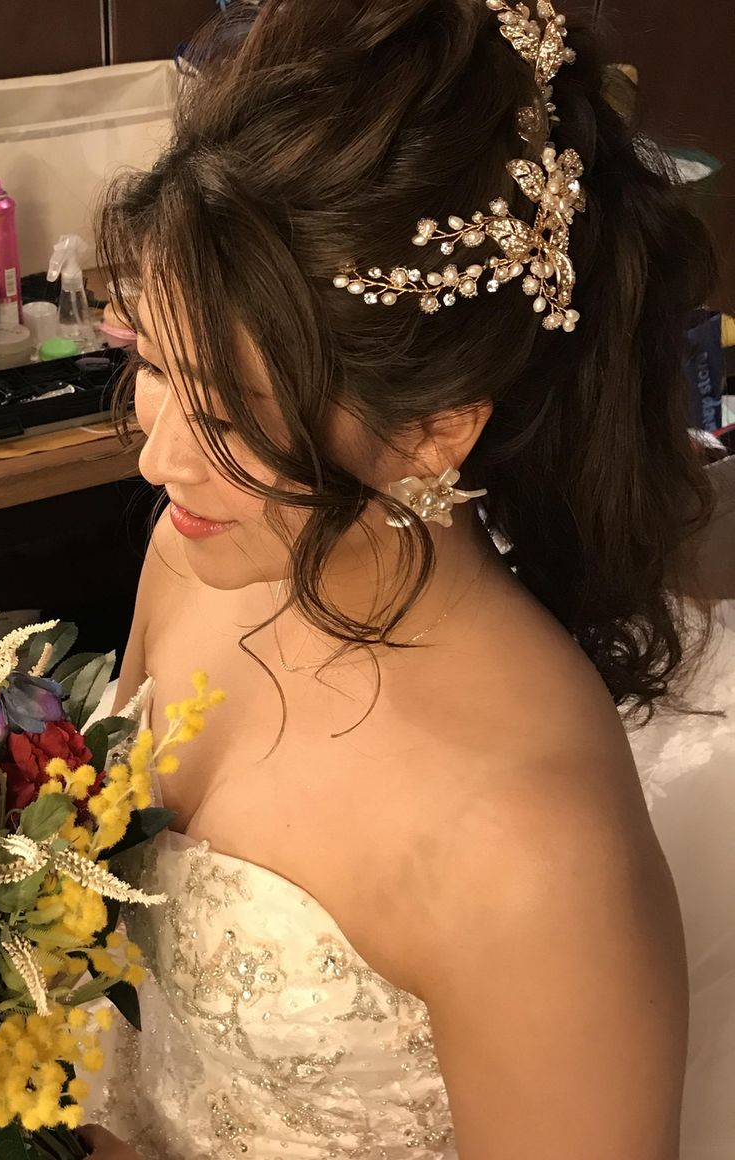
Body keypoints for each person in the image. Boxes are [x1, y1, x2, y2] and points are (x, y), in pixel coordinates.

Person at [75, 1, 732, 1157]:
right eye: (153, 365)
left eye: (226, 415)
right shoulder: (190, 554)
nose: (158, 457)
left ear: (435, 427)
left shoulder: (529, 846)